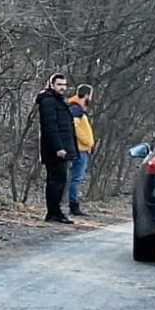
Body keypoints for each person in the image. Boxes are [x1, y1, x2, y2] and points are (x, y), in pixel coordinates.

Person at [35, 73, 78, 224]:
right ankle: (54, 212)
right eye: (59, 85)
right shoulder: (48, 101)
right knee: (56, 181)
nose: (62, 88)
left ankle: (55, 211)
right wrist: (58, 147)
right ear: (52, 85)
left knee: (60, 180)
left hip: (63, 148)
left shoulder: (59, 101)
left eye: (64, 85)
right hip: (55, 150)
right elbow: (50, 126)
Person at [66, 85, 97, 217]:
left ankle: (71, 204)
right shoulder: (76, 110)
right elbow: (76, 129)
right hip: (79, 150)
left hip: (81, 149)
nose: (91, 98)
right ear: (86, 95)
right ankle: (73, 206)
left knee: (75, 178)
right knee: (76, 179)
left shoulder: (77, 109)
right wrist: (88, 142)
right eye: (90, 95)